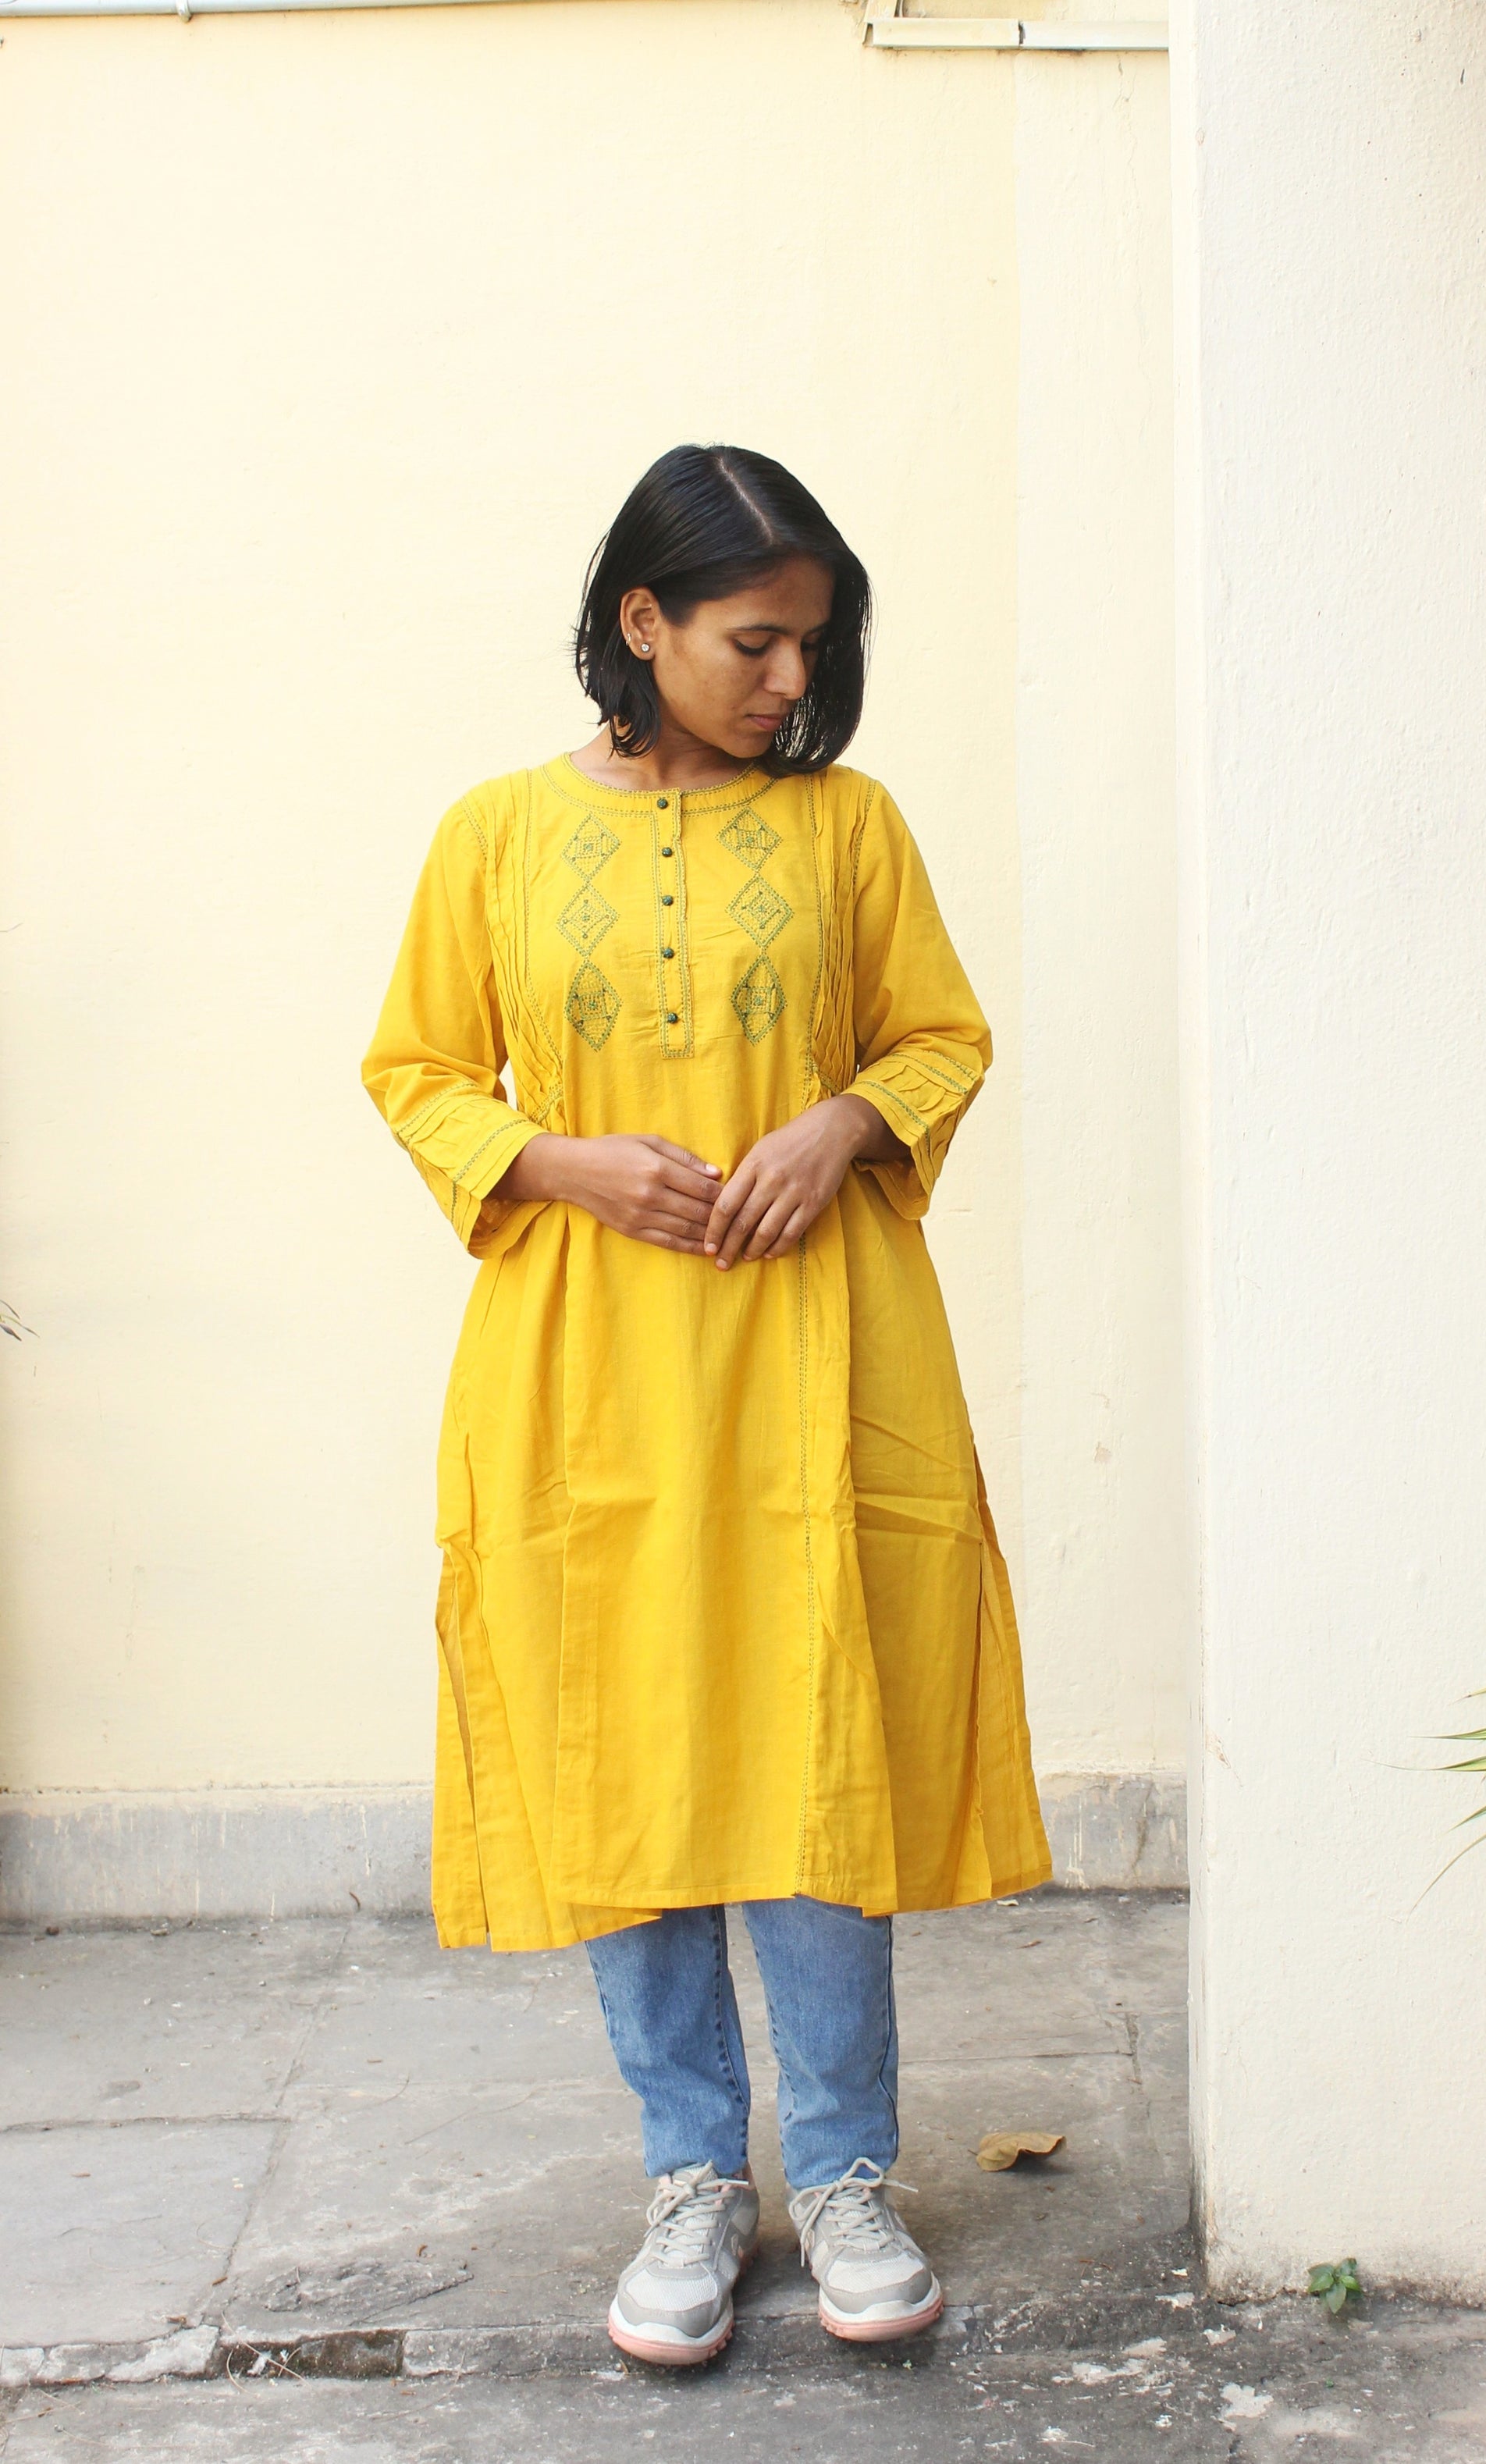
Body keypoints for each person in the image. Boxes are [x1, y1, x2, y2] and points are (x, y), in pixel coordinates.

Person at [362, 444, 1050, 2367]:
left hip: (816, 1346)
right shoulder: (496, 832)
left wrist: (845, 1123)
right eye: (755, 641)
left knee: (813, 1731)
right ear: (642, 621)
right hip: (586, 1364)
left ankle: (840, 2172)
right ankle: (690, 2173)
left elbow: (941, 1038)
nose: (790, 681)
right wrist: (558, 1160)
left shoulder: (848, 828)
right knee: (625, 1749)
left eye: (811, 644)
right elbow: (417, 1070)